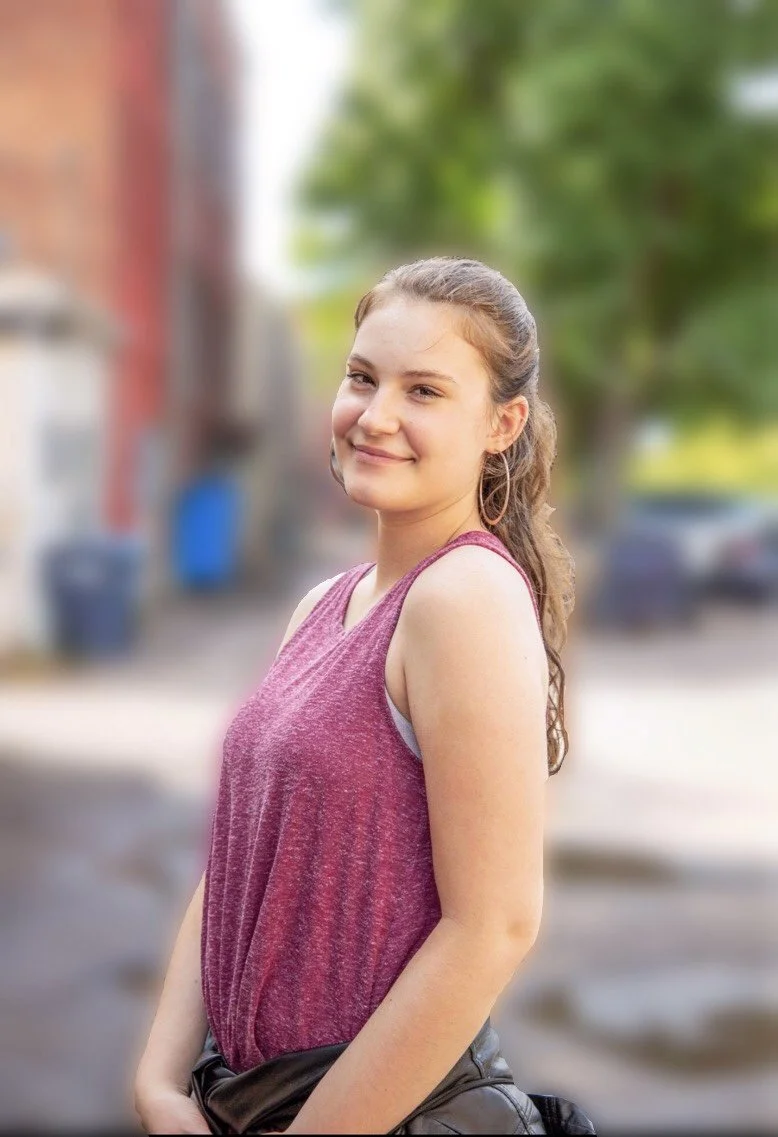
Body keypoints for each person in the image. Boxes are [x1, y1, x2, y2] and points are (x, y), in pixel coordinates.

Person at [133, 256, 580, 1134]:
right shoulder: (325, 604)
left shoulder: (465, 599)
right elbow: (238, 865)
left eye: (424, 391)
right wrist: (158, 1078)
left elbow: (494, 925)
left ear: (503, 422)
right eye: (362, 378)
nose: (376, 417)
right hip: (249, 1097)